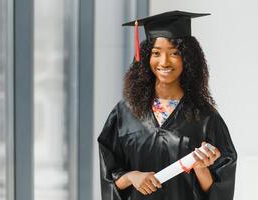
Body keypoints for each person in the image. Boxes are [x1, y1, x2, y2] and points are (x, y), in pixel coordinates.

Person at [98, 10, 237, 200]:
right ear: (146, 57)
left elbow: (220, 191)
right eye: (156, 53)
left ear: (188, 59)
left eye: (174, 53)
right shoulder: (124, 113)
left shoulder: (205, 117)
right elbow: (110, 177)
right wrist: (132, 177)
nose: (164, 62)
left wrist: (200, 168)